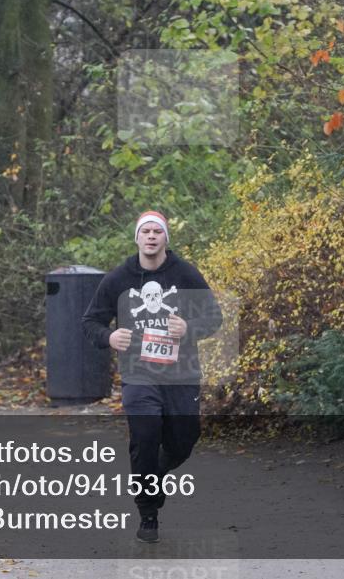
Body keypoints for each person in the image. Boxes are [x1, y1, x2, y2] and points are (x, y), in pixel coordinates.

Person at [82, 210, 222, 543]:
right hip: (138, 374)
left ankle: (152, 476)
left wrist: (189, 327)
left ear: (165, 238)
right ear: (137, 238)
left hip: (181, 374)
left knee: (183, 442)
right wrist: (110, 338)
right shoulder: (118, 280)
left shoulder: (185, 275)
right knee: (144, 435)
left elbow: (214, 318)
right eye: (145, 231)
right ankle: (148, 512)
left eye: (156, 231)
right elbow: (90, 323)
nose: (150, 236)